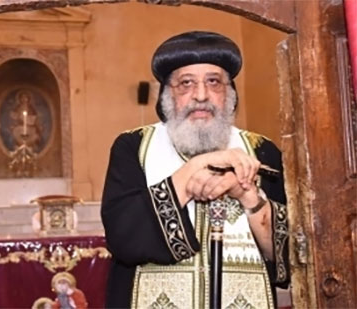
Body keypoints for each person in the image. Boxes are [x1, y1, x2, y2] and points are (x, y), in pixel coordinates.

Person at [101, 31, 289, 308]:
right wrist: (191, 173)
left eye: (214, 82)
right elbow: (122, 237)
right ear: (166, 95)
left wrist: (247, 195)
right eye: (186, 83)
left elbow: (288, 257)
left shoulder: (261, 150)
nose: (201, 95)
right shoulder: (134, 146)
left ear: (230, 93)